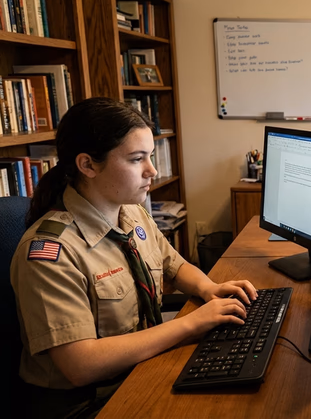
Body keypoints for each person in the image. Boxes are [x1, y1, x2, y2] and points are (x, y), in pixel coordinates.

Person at [11, 98, 257, 418]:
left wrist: (207, 287)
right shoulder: (49, 254)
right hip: (86, 402)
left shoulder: (130, 211)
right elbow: (80, 365)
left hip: (137, 369)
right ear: (87, 165)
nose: (151, 171)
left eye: (150, 157)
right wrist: (191, 324)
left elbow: (173, 263)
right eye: (136, 159)